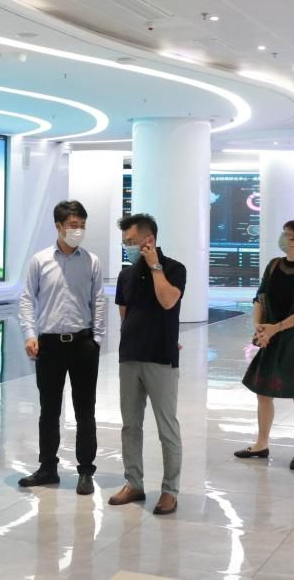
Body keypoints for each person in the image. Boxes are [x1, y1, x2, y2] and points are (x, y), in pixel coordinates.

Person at [17, 200, 107, 495]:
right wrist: (30, 334)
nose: (78, 230)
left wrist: (97, 340)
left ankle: (85, 470)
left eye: (82, 225)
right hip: (50, 346)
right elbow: (27, 298)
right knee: (49, 410)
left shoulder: (91, 261)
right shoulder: (40, 261)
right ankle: (47, 468)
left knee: (85, 410)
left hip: (83, 344)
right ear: (58, 226)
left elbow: (99, 300)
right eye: (73, 225)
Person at [234, 219, 294, 470]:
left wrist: (273, 329)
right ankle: (261, 444)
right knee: (263, 392)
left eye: (287, 234)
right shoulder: (274, 265)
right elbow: (260, 296)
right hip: (271, 335)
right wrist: (259, 327)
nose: (283, 238)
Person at [108, 213, 186, 516]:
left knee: (167, 428)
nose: (127, 247)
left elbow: (167, 301)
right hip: (130, 358)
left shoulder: (175, 269)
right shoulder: (125, 275)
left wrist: (155, 267)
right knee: (130, 425)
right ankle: (134, 483)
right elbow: (125, 314)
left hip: (161, 358)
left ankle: (170, 491)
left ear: (149, 240)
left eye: (131, 241)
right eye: (124, 242)